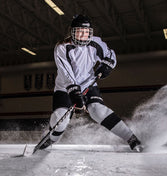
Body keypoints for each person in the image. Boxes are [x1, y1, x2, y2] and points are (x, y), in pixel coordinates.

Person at [39, 14, 143, 152]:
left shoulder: (96, 43)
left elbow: (110, 55)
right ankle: (50, 139)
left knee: (97, 111)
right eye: (80, 31)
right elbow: (66, 72)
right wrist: (74, 90)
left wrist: (108, 65)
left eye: (86, 32)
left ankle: (132, 138)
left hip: (89, 84)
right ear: (72, 32)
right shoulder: (62, 47)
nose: (83, 35)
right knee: (60, 118)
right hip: (65, 88)